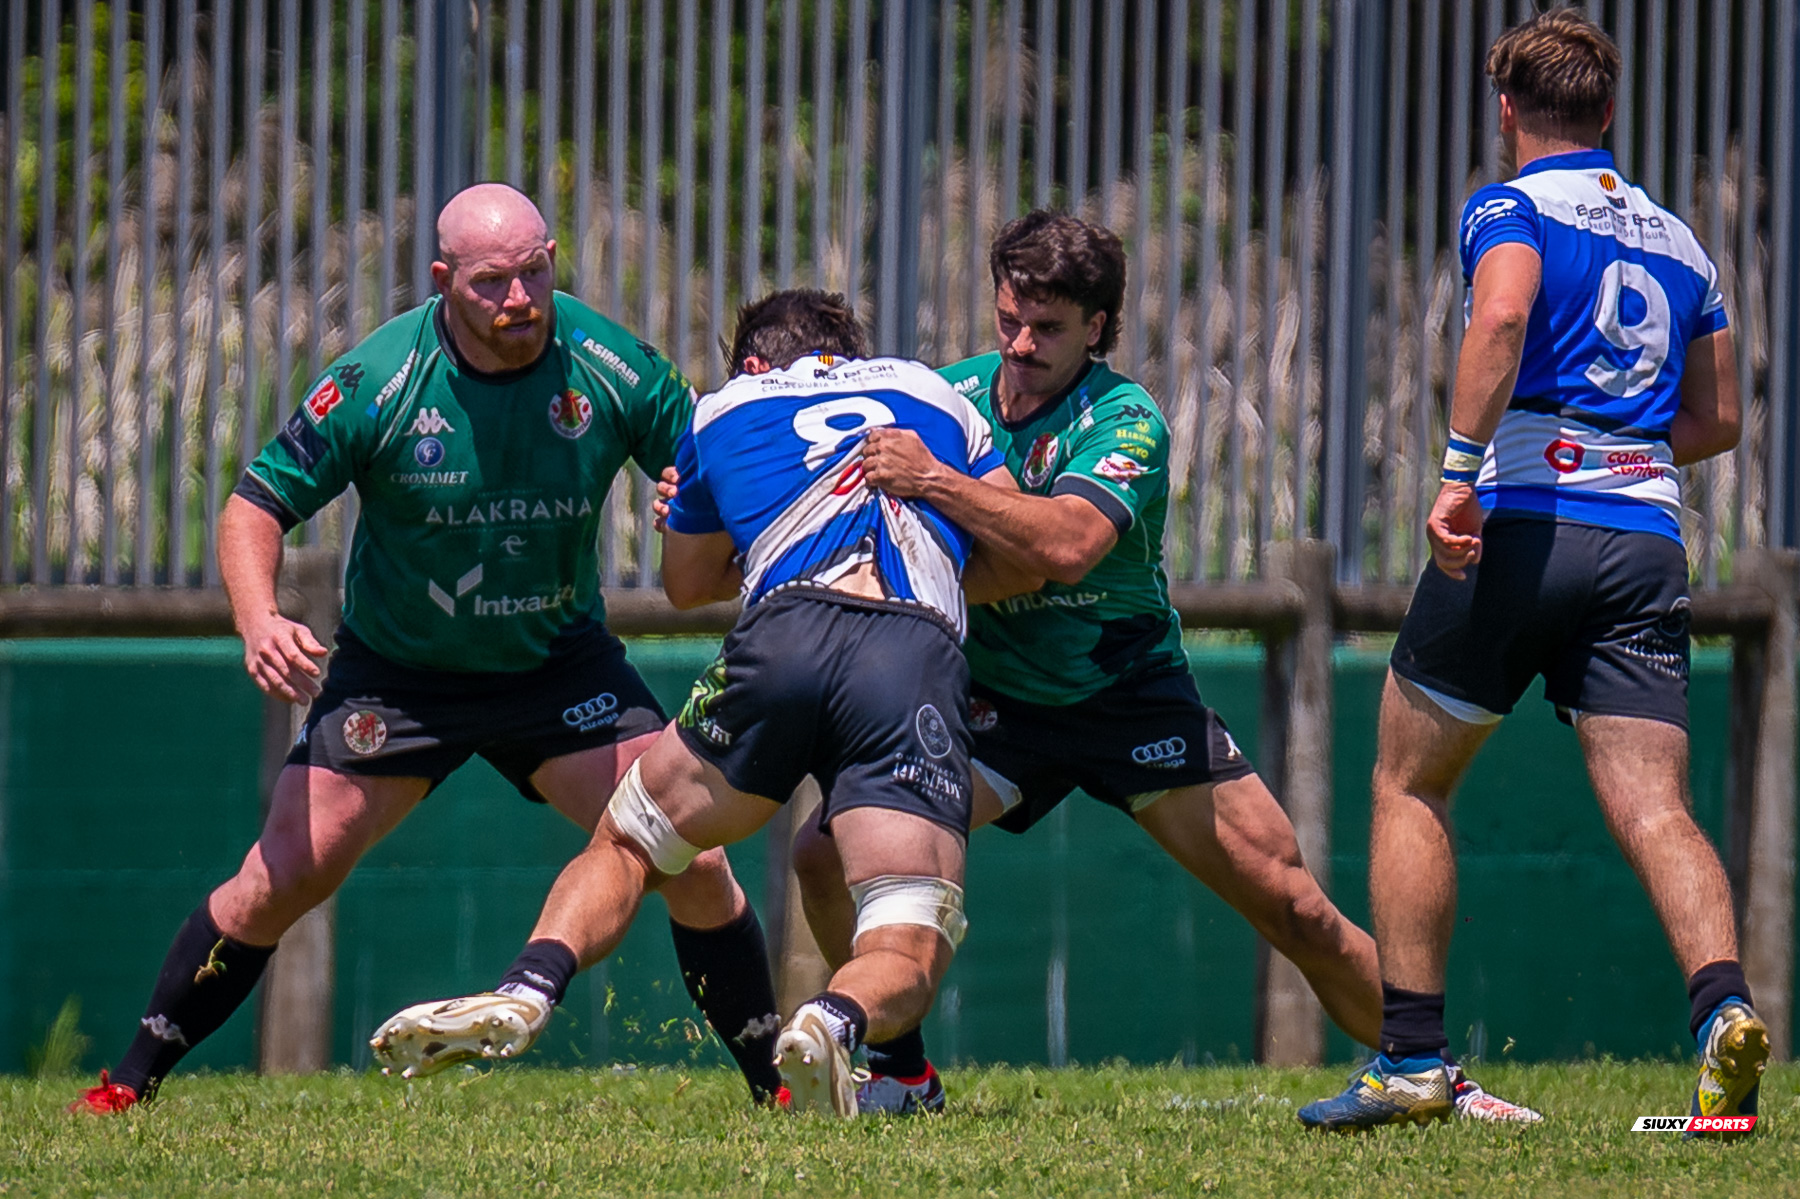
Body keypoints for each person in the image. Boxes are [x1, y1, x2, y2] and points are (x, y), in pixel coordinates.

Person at [791, 210, 1537, 1121]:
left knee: (1296, 908)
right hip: (992, 703)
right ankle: (902, 1072)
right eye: (1009, 320)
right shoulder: (949, 398)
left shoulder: (1126, 418)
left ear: (1097, 327)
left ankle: (1430, 1073)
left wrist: (936, 482)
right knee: (823, 851)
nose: (1020, 346)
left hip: (1128, 696)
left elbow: (1068, 546)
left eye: (1047, 328)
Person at [70, 184, 782, 1113]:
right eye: (492, 283)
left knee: (692, 855)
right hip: (399, 679)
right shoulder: (380, 379)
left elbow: (713, 466)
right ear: (443, 279)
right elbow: (253, 505)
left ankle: (776, 1089)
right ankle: (127, 1086)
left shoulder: (609, 365)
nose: (520, 298)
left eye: (535, 272)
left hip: (557, 668)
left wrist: (697, 505)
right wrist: (259, 617)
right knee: (281, 876)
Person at [367, 289, 1041, 1116]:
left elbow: (687, 585)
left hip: (782, 635)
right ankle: (833, 1018)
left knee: (629, 840)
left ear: (753, 363)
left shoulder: (722, 410)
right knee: (905, 930)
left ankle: (530, 984)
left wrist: (739, 523)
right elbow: (1024, 548)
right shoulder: (931, 390)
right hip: (907, 648)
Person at [1300, 11, 1758, 1134]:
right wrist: (1623, 449)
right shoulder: (1682, 243)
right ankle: (1725, 1011)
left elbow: (1502, 313)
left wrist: (1458, 474)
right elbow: (1719, 419)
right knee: (1657, 808)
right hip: (1644, 538)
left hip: (1523, 523)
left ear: (1507, 109)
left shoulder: (1508, 207)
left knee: (1410, 780)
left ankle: (1413, 1059)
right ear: (1610, 112)